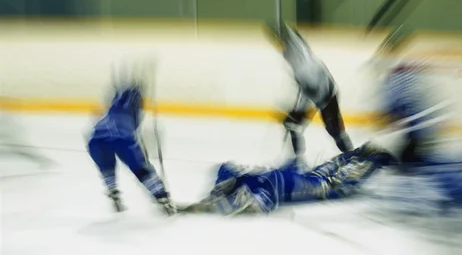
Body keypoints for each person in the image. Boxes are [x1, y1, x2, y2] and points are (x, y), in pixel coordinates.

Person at [177, 142, 396, 216]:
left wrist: (204, 205)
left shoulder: (251, 185)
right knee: (325, 170)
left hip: (302, 182)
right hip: (294, 177)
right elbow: (226, 175)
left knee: (338, 184)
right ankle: (362, 153)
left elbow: (257, 205)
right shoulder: (243, 178)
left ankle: (373, 158)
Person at [87, 59, 176, 215]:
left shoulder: (113, 102)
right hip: (121, 138)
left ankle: (113, 191)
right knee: (142, 169)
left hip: (95, 140)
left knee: (107, 168)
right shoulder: (134, 102)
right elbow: (131, 128)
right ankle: (162, 198)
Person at [265, 22, 353, 162]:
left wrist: (281, 28)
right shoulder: (288, 54)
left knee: (334, 131)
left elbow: (290, 35)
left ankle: (352, 156)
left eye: (277, 39)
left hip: (327, 93)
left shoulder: (298, 50)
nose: (276, 43)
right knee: (291, 125)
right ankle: (297, 162)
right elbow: (303, 86)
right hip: (310, 93)